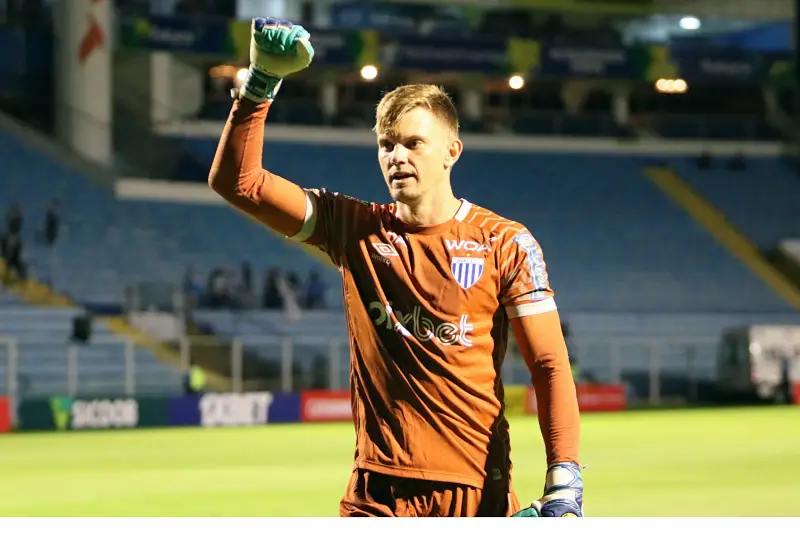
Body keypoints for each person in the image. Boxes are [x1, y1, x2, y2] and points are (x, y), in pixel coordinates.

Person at [209, 18, 582, 518]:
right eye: (386, 145)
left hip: (473, 492)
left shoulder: (504, 242)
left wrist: (565, 479)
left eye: (413, 143)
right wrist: (259, 84)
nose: (397, 157)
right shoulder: (354, 227)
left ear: (452, 152)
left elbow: (549, 366)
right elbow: (239, 183)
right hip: (375, 493)